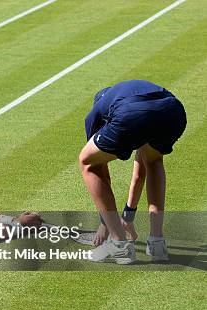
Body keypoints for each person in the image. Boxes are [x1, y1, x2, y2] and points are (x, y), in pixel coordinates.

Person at [78, 80, 186, 264]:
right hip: (173, 110)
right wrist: (128, 215)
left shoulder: (96, 115)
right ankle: (157, 243)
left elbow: (100, 171)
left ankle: (119, 245)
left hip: (131, 113)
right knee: (153, 160)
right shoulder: (127, 95)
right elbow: (141, 172)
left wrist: (106, 224)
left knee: (88, 163)